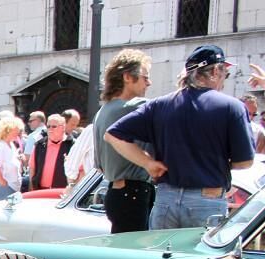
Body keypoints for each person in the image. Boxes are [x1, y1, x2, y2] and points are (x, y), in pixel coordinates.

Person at [106, 44, 254, 230]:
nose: (224, 80)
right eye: (226, 74)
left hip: (166, 199)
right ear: (216, 71)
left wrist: (148, 163)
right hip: (206, 200)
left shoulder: (159, 105)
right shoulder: (232, 107)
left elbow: (112, 134)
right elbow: (245, 162)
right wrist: (215, 162)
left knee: (161, 258)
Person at [93, 49, 155, 233]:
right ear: (128, 77)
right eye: (145, 77)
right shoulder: (132, 108)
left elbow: (99, 166)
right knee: (132, 254)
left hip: (119, 192)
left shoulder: (103, 111)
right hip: (132, 194)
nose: (148, 83)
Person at [0, 115, 25, 201]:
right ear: (8, 130)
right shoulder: (0, 146)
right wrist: (3, 183)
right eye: (17, 129)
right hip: (1, 188)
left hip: (11, 188)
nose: (19, 132)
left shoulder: (11, 145)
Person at [31, 113, 73, 189]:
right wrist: (30, 188)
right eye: (48, 126)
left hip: (62, 190)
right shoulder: (39, 144)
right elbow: (32, 168)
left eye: (54, 126)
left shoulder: (71, 145)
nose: (50, 129)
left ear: (63, 127)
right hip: (40, 189)